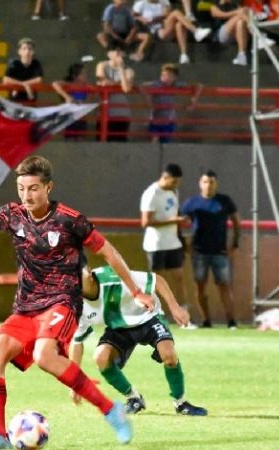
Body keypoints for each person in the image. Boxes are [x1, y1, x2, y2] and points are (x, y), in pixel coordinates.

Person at [0, 155, 150, 449]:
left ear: (48, 187)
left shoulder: (70, 219)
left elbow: (109, 253)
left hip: (62, 301)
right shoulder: (13, 215)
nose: (26, 196)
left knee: (44, 355)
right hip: (27, 306)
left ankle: (110, 409)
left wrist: (136, 291)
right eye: (21, 188)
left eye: (33, 188)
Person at [69, 265, 208, 416]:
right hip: (119, 327)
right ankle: (133, 398)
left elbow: (157, 280)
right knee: (100, 357)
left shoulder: (112, 277)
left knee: (168, 354)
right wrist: (73, 383)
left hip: (148, 316)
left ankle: (180, 403)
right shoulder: (76, 304)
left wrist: (174, 307)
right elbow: (76, 342)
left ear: (89, 274)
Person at [140, 163, 201, 326]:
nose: (175, 186)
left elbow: (174, 213)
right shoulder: (151, 193)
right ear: (165, 177)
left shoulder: (173, 191)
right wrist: (173, 220)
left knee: (179, 279)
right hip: (156, 245)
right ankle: (154, 317)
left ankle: (185, 318)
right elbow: (146, 222)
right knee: (156, 282)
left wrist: (181, 236)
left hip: (173, 243)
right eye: (173, 182)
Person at [180, 170, 240, 329]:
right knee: (200, 286)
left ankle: (231, 321)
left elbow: (236, 221)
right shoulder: (191, 203)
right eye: (205, 182)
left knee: (224, 285)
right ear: (200, 183)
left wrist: (235, 243)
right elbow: (178, 222)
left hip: (220, 251)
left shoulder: (224, 201)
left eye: (211, 182)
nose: (208, 185)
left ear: (216, 184)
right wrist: (184, 244)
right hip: (199, 252)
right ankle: (206, 321)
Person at [143, 63, 202, 143]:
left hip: (169, 120)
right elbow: (142, 86)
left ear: (174, 77)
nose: (163, 77)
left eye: (167, 75)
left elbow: (199, 86)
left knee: (165, 142)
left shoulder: (176, 84)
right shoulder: (157, 83)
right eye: (162, 74)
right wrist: (149, 101)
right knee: (154, 140)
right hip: (155, 118)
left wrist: (193, 102)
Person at [96, 42, 135, 142]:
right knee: (102, 140)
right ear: (108, 54)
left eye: (120, 50)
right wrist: (119, 83)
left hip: (121, 112)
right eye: (114, 50)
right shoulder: (102, 65)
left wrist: (121, 68)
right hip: (105, 110)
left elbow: (126, 88)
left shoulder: (128, 70)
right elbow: (103, 82)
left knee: (120, 140)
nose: (117, 52)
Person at [52, 62, 92, 139]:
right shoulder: (69, 84)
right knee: (70, 137)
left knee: (80, 137)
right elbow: (55, 84)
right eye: (83, 74)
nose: (86, 75)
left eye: (85, 73)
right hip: (70, 115)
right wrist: (67, 97)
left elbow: (88, 99)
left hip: (81, 115)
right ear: (75, 76)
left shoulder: (86, 86)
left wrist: (83, 102)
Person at [2, 37, 43, 103]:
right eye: (24, 49)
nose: (27, 51)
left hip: (30, 101)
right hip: (15, 100)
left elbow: (39, 80)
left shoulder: (36, 63)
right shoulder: (14, 63)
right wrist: (23, 85)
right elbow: (6, 80)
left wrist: (24, 84)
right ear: (19, 52)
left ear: (33, 52)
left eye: (30, 49)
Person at [211, 0, 250, 66]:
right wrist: (236, 12)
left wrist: (245, 11)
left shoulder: (235, 5)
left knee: (240, 22)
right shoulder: (215, 6)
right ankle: (256, 32)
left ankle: (241, 55)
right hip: (221, 35)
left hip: (237, 34)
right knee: (240, 16)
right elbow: (216, 14)